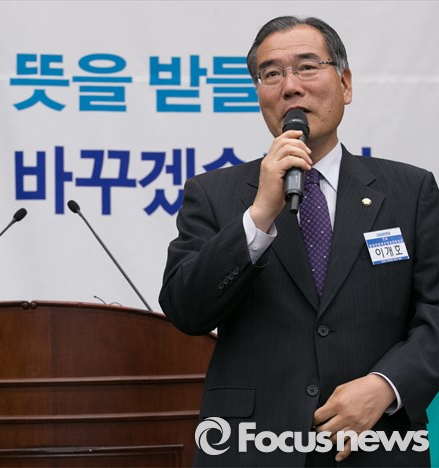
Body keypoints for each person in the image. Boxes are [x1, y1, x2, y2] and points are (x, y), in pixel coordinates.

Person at [160, 15, 439, 467]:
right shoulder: (214, 194)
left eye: (308, 67)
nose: (290, 86)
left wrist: (386, 385)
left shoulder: (410, 190)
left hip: (377, 445)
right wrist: (258, 216)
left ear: (345, 84)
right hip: (252, 448)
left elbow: (436, 311)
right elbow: (186, 311)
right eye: (271, 74)